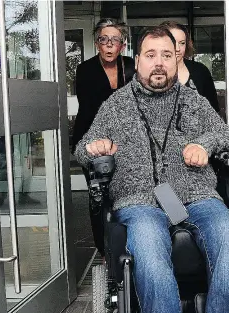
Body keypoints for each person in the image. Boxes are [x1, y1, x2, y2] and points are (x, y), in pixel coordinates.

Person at [75, 26, 229, 313]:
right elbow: (81, 148)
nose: (158, 62)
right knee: (146, 244)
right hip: (139, 200)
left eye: (166, 54)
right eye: (150, 55)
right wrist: (95, 147)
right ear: (137, 60)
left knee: (228, 235)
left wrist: (205, 145)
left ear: (177, 58)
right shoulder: (116, 106)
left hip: (194, 195)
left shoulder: (193, 102)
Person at [72, 18, 134, 254]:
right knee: (99, 197)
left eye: (114, 40)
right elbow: (90, 109)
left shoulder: (131, 67)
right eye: (103, 40)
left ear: (122, 44)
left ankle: (128, 245)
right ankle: (105, 250)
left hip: (125, 142)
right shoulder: (85, 69)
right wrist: (102, 144)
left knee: (126, 192)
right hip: (93, 140)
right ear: (97, 43)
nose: (109, 45)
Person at [161, 20, 220, 112]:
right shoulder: (148, 72)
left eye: (182, 43)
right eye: (172, 42)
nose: (177, 49)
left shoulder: (200, 72)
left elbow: (214, 112)